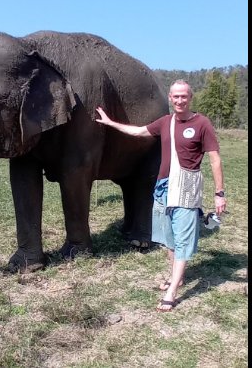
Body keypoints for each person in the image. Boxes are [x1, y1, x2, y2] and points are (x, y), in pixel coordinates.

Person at [95, 79, 226, 312]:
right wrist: (109, 122)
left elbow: (215, 159)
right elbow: (137, 131)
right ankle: (178, 275)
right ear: (170, 98)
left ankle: (172, 291)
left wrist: (219, 193)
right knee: (168, 238)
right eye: (175, 96)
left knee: (183, 239)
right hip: (163, 187)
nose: (179, 100)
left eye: (184, 96)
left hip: (186, 187)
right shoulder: (165, 122)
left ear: (190, 97)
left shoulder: (202, 123)